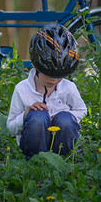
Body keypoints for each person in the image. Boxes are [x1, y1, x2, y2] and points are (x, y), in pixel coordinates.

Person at [7, 23, 88, 158]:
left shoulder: (68, 88)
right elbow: (11, 128)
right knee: (37, 117)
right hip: (33, 143)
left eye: (59, 76)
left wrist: (63, 117)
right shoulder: (22, 89)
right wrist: (25, 114)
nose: (54, 80)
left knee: (65, 119)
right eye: (49, 75)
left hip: (62, 141)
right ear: (35, 65)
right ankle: (36, 161)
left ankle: (63, 158)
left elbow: (82, 110)